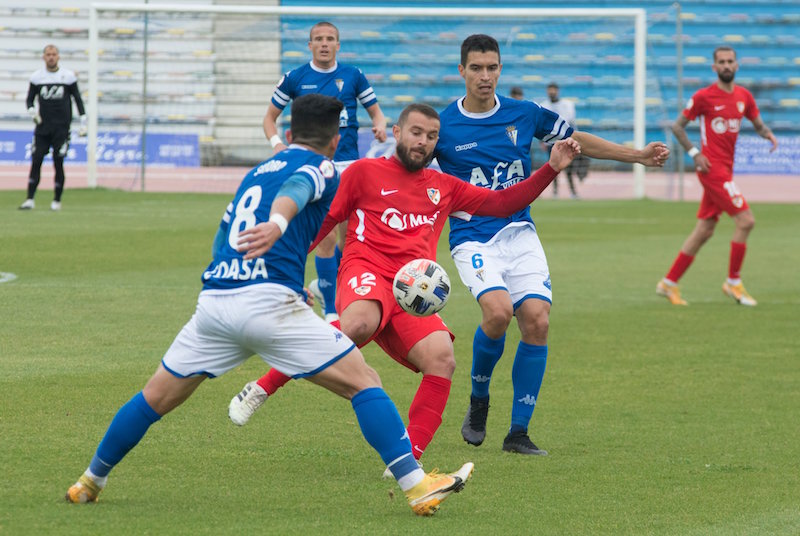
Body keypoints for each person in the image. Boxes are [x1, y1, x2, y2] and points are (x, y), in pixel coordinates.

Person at [64, 94, 472, 517]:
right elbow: (299, 190)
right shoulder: (322, 166)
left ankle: (90, 480)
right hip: (269, 305)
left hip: (216, 302)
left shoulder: (258, 172)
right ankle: (417, 485)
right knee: (364, 382)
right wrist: (279, 223)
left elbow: (228, 235)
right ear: (335, 142)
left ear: (289, 134)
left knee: (153, 399)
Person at [228, 103, 582, 468]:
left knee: (442, 358)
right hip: (366, 269)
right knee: (358, 325)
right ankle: (262, 386)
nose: (422, 142)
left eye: (431, 137)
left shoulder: (445, 187)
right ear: (396, 133)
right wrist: (287, 271)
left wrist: (551, 168)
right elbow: (325, 222)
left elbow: (503, 201)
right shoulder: (364, 173)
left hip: (413, 291)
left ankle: (407, 462)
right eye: (416, 133)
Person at [436, 34, 669, 456]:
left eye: (492, 68)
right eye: (476, 68)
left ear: (500, 69)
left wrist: (636, 155)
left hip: (520, 232)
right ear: (461, 72)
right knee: (498, 312)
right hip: (472, 236)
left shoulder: (524, 114)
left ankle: (518, 433)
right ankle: (478, 399)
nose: (485, 76)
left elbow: (576, 140)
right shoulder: (444, 126)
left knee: (538, 321)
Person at [264, 21, 388, 322]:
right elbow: (269, 118)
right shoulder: (295, 78)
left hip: (348, 164)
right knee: (327, 236)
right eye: (318, 39)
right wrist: (277, 143)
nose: (324, 43)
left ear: (338, 44)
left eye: (330, 39)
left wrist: (381, 123)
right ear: (309, 45)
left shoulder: (353, 75)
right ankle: (332, 312)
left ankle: (330, 290)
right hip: (312, 163)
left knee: (349, 241)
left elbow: (375, 110)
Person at [657, 46, 777, 307]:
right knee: (746, 221)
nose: (726, 65)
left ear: (737, 65)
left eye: (730, 61)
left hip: (726, 169)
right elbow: (677, 126)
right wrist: (694, 152)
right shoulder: (703, 97)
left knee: (705, 230)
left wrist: (767, 134)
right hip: (711, 170)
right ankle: (733, 282)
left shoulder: (744, 96)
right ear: (714, 67)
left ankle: (669, 283)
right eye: (721, 62)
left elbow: (757, 122)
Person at [19, 44, 86, 211]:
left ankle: (56, 200)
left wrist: (83, 120)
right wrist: (32, 112)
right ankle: (30, 199)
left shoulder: (68, 77)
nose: (51, 57)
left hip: (61, 128)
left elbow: (77, 99)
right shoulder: (37, 77)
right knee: (36, 161)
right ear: (43, 57)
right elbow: (29, 100)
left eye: (54, 54)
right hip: (43, 128)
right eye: (48, 54)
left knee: (58, 161)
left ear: (58, 56)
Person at [539, 82, 585, 199]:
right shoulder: (543, 106)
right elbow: (539, 126)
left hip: (566, 141)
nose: (552, 92)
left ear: (557, 91)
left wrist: (576, 139)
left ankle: (573, 192)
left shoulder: (567, 105)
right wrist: (541, 142)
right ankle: (555, 192)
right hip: (551, 142)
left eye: (553, 89)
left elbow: (572, 124)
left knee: (569, 169)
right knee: (552, 167)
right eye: (550, 89)